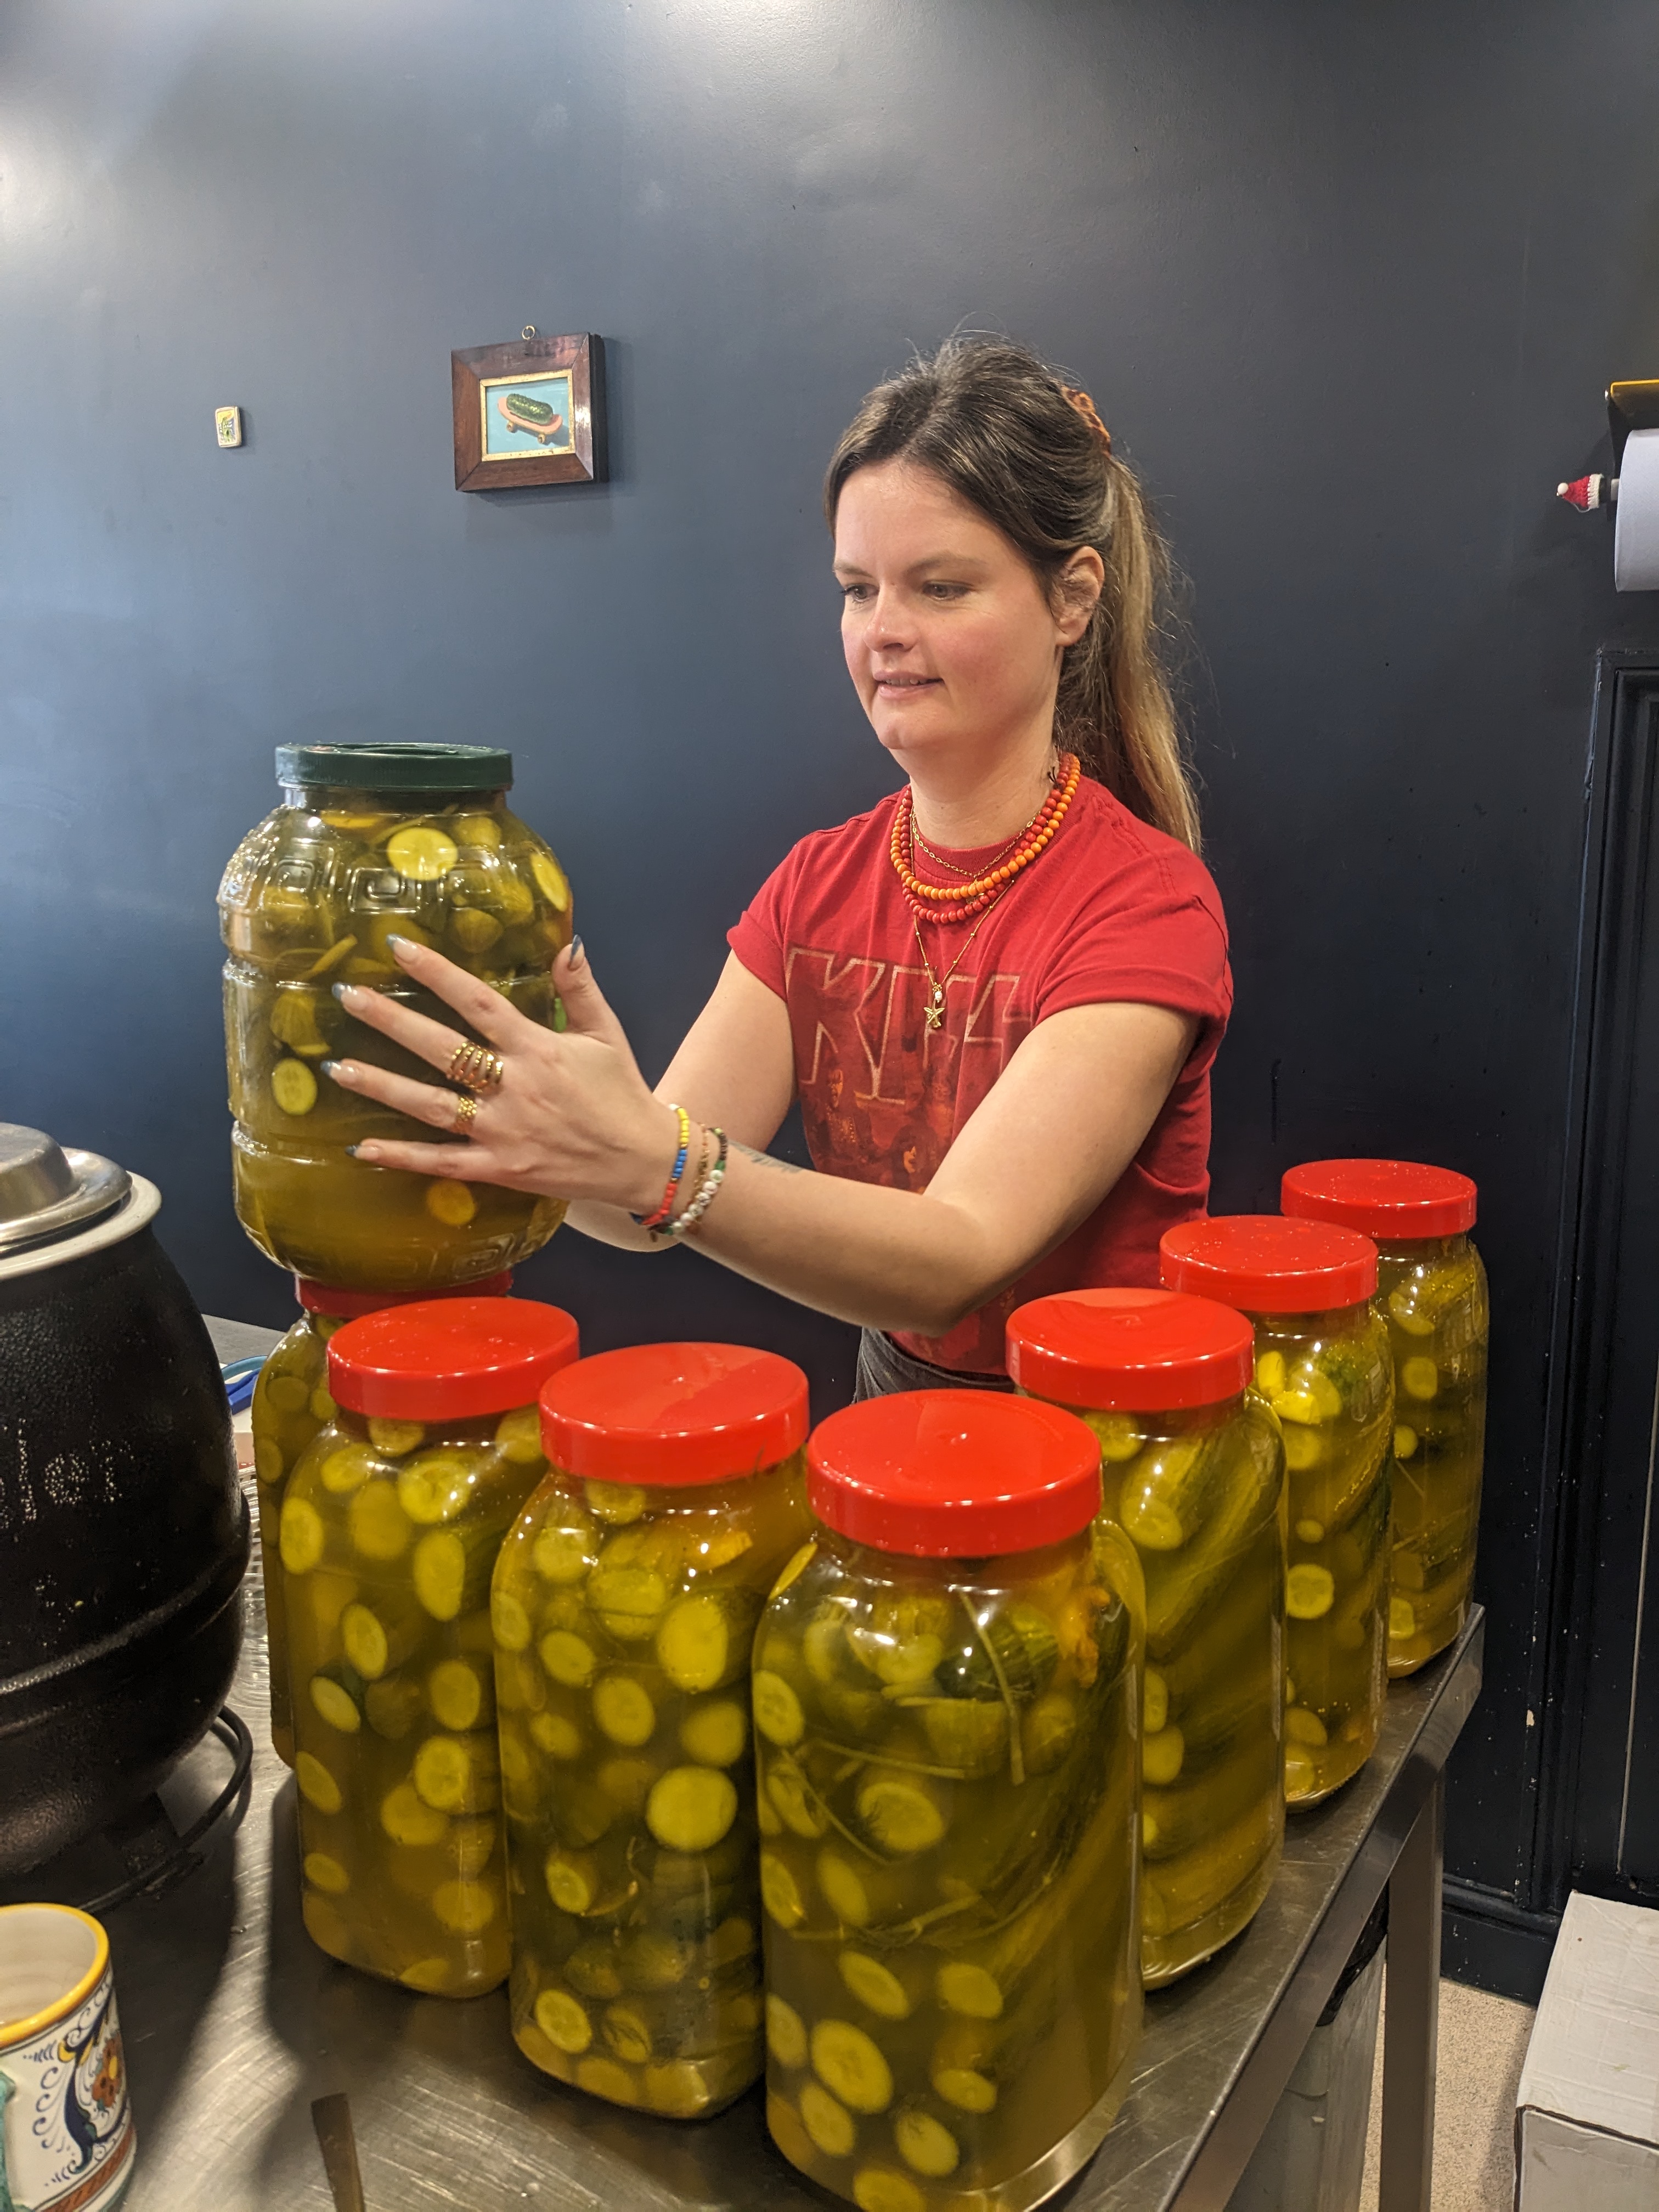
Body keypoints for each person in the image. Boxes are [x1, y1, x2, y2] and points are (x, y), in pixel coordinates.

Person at [322, 338, 1232, 1397]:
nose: (883, 632)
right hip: (895, 1405)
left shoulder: (1147, 903)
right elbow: (636, 1211)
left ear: (1071, 600)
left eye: (941, 587)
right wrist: (549, 1123)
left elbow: (960, 1257)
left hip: (1112, 1426)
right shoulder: (817, 884)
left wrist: (654, 1158)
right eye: (857, 589)